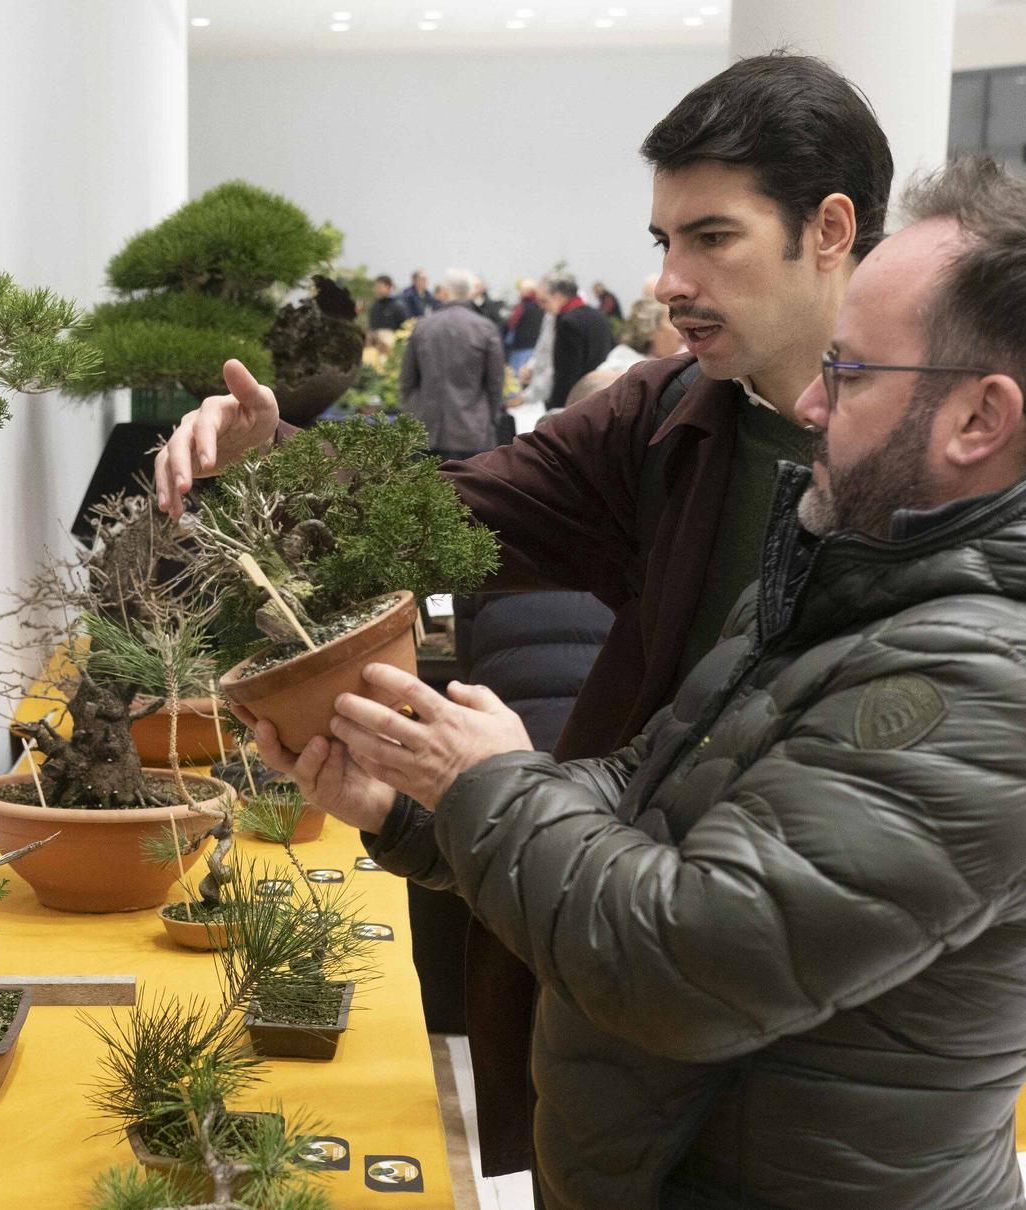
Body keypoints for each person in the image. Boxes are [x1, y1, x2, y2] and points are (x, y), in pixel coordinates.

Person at [264, 157, 1026, 1210]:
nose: (806, 400)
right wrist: (418, 798)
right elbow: (648, 798)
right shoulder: (857, 575)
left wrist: (483, 788)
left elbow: (681, 962)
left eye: (846, 372)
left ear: (977, 419)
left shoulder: (1001, 688)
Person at [155, 51, 893, 1189]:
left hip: (823, 1038)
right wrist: (272, 458)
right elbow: (445, 511)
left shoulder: (926, 471)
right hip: (609, 952)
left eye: (711, 237)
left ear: (830, 227)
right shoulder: (659, 419)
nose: (670, 281)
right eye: (662, 243)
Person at [397, 268, 506, 459]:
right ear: (470, 292)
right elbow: (495, 383)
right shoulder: (485, 329)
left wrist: (414, 413)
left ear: (445, 292)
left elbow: (407, 380)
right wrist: (490, 419)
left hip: (427, 429)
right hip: (472, 431)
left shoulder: (423, 327)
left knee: (426, 487)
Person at [544, 272, 616, 410]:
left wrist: (555, 406)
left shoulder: (567, 322)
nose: (542, 307)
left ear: (558, 296)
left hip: (578, 398)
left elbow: (566, 372)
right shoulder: (599, 315)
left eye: (544, 301)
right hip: (603, 391)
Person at [502, 278, 546, 379]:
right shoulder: (543, 307)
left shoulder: (521, 307)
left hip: (520, 349)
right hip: (535, 347)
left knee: (515, 379)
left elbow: (510, 325)